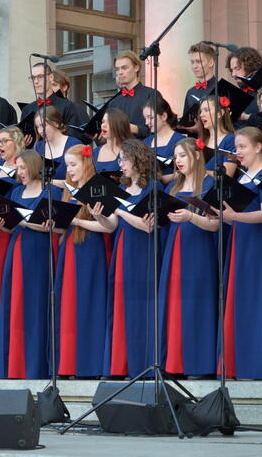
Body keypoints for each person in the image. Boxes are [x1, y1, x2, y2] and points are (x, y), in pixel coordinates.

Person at [0, 150, 61, 379]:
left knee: (37, 305)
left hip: (41, 252)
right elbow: (13, 226)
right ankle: (16, 366)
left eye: (23, 167)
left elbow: (53, 227)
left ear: (33, 166)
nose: (19, 172)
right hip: (18, 249)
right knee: (17, 304)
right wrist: (3, 224)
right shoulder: (15, 191)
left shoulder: (52, 191)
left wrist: (24, 222)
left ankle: (37, 366)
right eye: (18, 168)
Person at [219, 128, 262, 380]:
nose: (237, 152)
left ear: (257, 147)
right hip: (241, 242)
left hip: (258, 244)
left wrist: (234, 216)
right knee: (240, 301)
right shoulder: (242, 178)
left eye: (242, 147)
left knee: (257, 300)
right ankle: (239, 364)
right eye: (236, 147)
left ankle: (259, 364)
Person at [160, 138, 219, 378]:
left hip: (199, 250)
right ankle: (174, 363)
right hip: (174, 248)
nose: (178, 161)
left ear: (196, 155)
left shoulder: (209, 184)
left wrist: (190, 217)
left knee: (197, 303)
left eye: (182, 155)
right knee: (175, 303)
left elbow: (215, 225)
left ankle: (199, 363)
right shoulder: (172, 188)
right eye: (175, 157)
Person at [55, 146, 116, 378]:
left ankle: (88, 364)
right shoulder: (70, 190)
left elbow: (110, 225)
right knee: (69, 305)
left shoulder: (98, 187)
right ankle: (69, 364)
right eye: (67, 165)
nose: (69, 170)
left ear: (86, 164)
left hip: (90, 250)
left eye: (73, 165)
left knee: (89, 305)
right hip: (70, 248)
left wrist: (80, 222)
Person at [98, 142, 157, 378]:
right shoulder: (120, 189)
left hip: (143, 250)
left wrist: (121, 211)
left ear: (137, 160)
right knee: (122, 305)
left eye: (124, 159)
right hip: (123, 246)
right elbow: (111, 225)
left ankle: (142, 363)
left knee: (141, 305)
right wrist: (100, 215)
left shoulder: (151, 188)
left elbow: (148, 226)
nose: (120, 164)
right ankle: (121, 364)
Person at [110, 50, 161, 139]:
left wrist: (135, 129)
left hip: (146, 149)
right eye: (117, 69)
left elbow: (160, 128)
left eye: (124, 68)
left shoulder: (151, 94)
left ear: (136, 68)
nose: (120, 72)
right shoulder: (114, 102)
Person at [142, 98, 186, 184]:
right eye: (145, 118)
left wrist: (163, 179)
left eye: (150, 118)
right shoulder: (145, 142)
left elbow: (188, 170)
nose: (146, 122)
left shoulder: (180, 140)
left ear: (164, 116)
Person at [35, 106, 82, 183]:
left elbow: (81, 180)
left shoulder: (74, 144)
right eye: (37, 127)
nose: (40, 131)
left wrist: (50, 182)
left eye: (43, 125)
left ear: (56, 123)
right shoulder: (38, 147)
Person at [195, 97, 238, 177]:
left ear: (219, 113)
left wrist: (199, 171)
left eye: (206, 110)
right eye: (201, 111)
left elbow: (227, 175)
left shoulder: (230, 139)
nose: (201, 115)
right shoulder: (202, 139)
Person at [228, 46, 262, 125]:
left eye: (237, 68)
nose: (233, 74)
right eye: (231, 70)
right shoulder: (236, 95)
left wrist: (246, 117)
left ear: (250, 66)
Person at [182, 43, 217, 116]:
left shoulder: (222, 88)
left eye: (198, 62)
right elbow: (186, 122)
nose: (194, 66)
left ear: (211, 63)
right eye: (192, 62)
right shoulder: (190, 92)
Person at [94, 108, 132, 174]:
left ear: (118, 125)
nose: (103, 125)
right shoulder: (95, 152)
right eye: (103, 122)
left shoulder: (129, 151)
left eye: (108, 122)